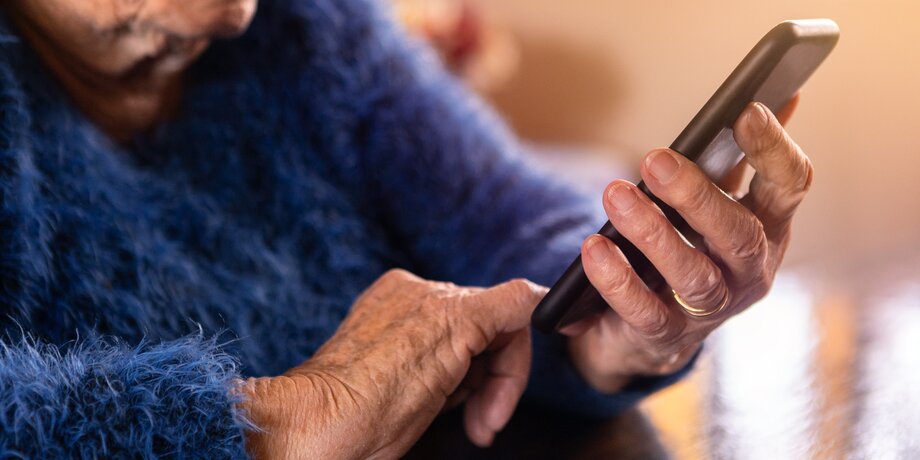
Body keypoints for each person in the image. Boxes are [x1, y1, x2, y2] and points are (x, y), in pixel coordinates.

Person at [0, 0, 813, 458]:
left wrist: (617, 321)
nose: (235, 13)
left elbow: (495, 205)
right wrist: (272, 425)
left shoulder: (312, 22)